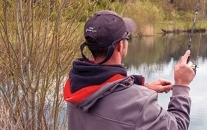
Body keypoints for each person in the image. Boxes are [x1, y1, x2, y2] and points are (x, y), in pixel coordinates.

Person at [63, 10, 195, 130]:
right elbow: (178, 126)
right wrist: (181, 85)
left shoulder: (75, 84)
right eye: (127, 37)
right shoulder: (140, 104)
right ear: (120, 46)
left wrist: (144, 87)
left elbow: (107, 95)